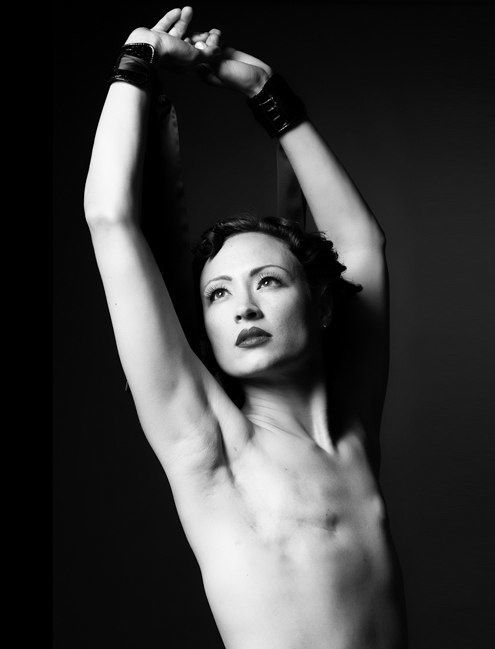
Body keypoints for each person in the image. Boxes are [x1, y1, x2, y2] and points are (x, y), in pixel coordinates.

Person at [84, 6, 408, 648]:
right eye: (218, 293)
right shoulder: (212, 448)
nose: (243, 308)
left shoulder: (352, 433)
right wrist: (136, 60)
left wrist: (265, 90)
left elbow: (359, 244)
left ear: (320, 305)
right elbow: (109, 219)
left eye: (269, 282)